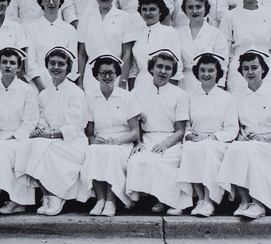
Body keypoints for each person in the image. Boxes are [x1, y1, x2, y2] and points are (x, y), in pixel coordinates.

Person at [217, 50, 271, 219]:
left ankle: (258, 203)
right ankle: (244, 201)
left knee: (251, 150)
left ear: (263, 69)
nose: (250, 72)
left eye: (254, 68)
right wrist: (241, 137)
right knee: (237, 149)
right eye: (245, 69)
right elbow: (234, 126)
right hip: (248, 141)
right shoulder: (237, 95)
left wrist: (264, 138)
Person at [15, 46, 89, 215]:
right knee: (29, 145)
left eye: (61, 64)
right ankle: (46, 194)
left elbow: (74, 126)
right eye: (52, 63)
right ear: (47, 66)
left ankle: (57, 195)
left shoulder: (76, 93)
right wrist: (39, 130)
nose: (56, 67)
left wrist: (48, 135)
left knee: (43, 148)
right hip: (51, 138)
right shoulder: (44, 94)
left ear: (68, 68)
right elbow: (41, 118)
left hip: (73, 142)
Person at [0, 47, 41, 220]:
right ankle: (8, 202)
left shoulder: (28, 91)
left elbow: (30, 123)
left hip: (19, 139)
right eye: (4, 62)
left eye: (12, 63)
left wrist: (10, 138)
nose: (8, 66)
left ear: (19, 67)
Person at [126, 50, 190, 214]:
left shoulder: (180, 95)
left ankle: (167, 201)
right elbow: (135, 125)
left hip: (171, 140)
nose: (163, 71)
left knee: (162, 162)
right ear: (151, 69)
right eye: (159, 66)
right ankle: (145, 199)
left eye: (168, 68)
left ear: (173, 71)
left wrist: (165, 144)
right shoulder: (137, 92)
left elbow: (180, 130)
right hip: (147, 138)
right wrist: (138, 143)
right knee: (138, 160)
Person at [176, 54, 237, 217]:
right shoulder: (189, 96)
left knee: (207, 148)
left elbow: (231, 129)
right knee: (189, 149)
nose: (206, 74)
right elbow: (186, 126)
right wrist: (189, 136)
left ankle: (210, 200)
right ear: (196, 72)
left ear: (218, 73)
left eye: (211, 70)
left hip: (218, 142)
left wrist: (210, 138)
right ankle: (201, 199)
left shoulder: (227, 98)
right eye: (202, 70)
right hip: (196, 140)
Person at [82, 56, 142, 217]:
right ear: (96, 75)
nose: (107, 77)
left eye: (111, 73)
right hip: (101, 141)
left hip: (123, 142)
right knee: (93, 151)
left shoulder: (127, 97)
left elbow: (135, 132)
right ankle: (100, 200)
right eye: (103, 73)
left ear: (117, 75)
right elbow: (89, 133)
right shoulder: (90, 98)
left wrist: (118, 141)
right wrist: (95, 140)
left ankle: (111, 201)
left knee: (112, 153)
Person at [220, 0, 271, 92]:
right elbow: (225, 50)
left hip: (265, 69)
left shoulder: (269, 15)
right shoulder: (230, 16)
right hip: (238, 71)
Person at [77, 0, 135, 92]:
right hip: (91, 73)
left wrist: (123, 80)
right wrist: (80, 81)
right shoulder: (86, 17)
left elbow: (127, 53)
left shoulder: (124, 17)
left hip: (116, 72)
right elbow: (82, 53)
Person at [23, 0, 77, 91]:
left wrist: (63, 87)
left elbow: (73, 61)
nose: (51, 2)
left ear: (61, 1)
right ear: (41, 2)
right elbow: (30, 62)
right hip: (38, 84)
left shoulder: (69, 30)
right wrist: (42, 89)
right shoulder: (31, 28)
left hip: (64, 84)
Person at [177, 0, 229, 94]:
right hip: (184, 83)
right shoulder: (178, 34)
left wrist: (218, 90)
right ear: (185, 10)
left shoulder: (216, 34)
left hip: (207, 84)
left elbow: (222, 65)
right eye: (190, 7)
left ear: (205, 9)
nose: (195, 11)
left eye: (199, 7)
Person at [130, 0, 182, 90]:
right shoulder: (137, 33)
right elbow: (133, 68)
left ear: (160, 11)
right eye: (144, 9)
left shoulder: (170, 32)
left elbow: (177, 65)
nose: (148, 13)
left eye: (152, 9)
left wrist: (169, 90)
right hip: (140, 84)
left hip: (163, 83)